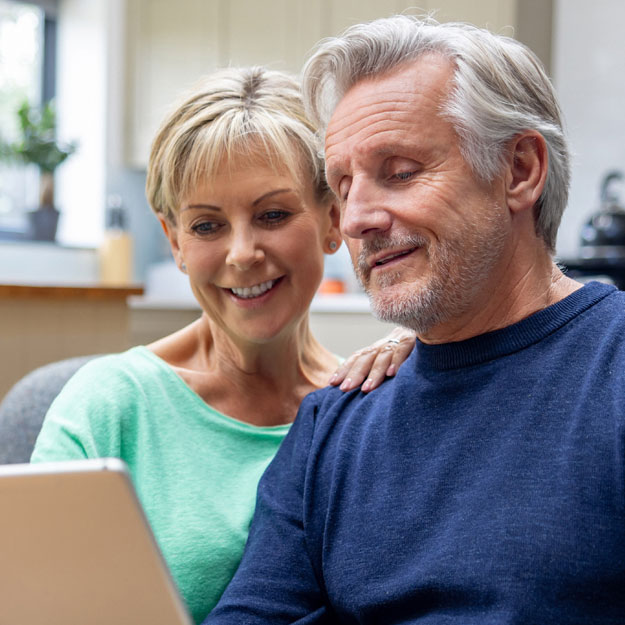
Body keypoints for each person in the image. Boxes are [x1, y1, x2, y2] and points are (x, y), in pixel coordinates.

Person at [204, 15, 625, 624]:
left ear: (519, 171)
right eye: (343, 187)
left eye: (399, 172)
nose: (354, 220)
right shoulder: (336, 418)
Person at [30, 67, 415, 624]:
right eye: (207, 226)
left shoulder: (363, 405)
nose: (241, 253)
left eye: (273, 215)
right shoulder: (108, 406)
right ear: (174, 242)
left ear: (334, 220)